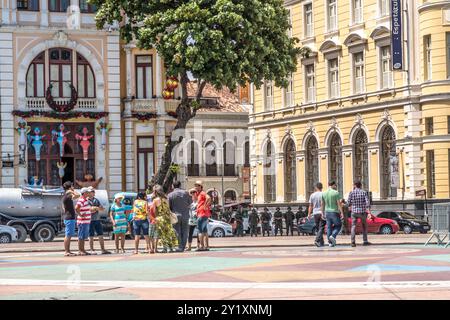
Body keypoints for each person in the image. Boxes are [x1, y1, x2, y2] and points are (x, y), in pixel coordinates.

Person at [150, 185, 178, 252]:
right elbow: (168, 209)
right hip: (167, 217)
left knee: (162, 233)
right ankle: (170, 248)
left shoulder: (155, 200)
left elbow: (153, 210)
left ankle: (165, 248)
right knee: (169, 232)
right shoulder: (166, 198)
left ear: (155, 192)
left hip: (160, 217)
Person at [168, 180, 193, 252]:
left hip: (175, 215)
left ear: (173, 186)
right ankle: (183, 246)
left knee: (177, 231)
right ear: (180, 185)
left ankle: (180, 246)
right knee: (185, 231)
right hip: (185, 215)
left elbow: (169, 206)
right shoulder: (186, 193)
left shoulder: (170, 195)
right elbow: (190, 203)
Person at [348, 180, 372, 247]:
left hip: (354, 212)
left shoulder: (351, 192)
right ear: (360, 185)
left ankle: (353, 242)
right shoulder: (364, 192)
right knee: (364, 226)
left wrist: (349, 206)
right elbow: (367, 203)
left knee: (353, 226)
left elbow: (348, 203)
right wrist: (369, 212)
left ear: (354, 185)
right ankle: (365, 241)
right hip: (362, 212)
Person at [88, 187, 110, 255]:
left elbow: (102, 208)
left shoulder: (96, 200)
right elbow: (90, 209)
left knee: (100, 234)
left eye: (92, 191)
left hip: (97, 219)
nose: (92, 192)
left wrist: (95, 208)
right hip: (90, 220)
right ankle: (91, 249)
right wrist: (96, 208)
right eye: (91, 191)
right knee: (90, 235)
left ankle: (103, 249)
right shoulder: (86, 200)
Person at [321, 181, 343, 247]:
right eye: (335, 185)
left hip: (327, 212)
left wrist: (322, 213)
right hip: (334, 212)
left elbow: (322, 204)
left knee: (329, 227)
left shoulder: (324, 193)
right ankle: (333, 236)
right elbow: (339, 204)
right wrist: (342, 212)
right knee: (338, 225)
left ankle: (330, 243)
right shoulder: (336, 193)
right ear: (333, 185)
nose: (336, 187)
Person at [62, 181, 80, 257]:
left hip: (69, 217)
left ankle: (68, 251)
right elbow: (78, 194)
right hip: (69, 218)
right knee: (68, 235)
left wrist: (70, 191)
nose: (73, 187)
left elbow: (76, 197)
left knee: (69, 235)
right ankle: (66, 251)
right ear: (69, 187)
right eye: (72, 186)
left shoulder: (66, 196)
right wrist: (71, 190)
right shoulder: (68, 194)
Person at [75, 187, 93, 255]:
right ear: (84, 193)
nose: (89, 193)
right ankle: (80, 250)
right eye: (88, 192)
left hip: (86, 221)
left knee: (83, 236)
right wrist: (80, 215)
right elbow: (76, 208)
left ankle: (83, 250)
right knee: (81, 236)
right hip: (82, 222)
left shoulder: (85, 200)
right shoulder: (81, 200)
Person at [194, 180, 212, 251]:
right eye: (195, 186)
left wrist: (205, 205)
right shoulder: (199, 194)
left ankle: (201, 246)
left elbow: (209, 198)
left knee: (200, 231)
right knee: (205, 231)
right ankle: (206, 246)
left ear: (200, 186)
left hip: (202, 214)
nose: (196, 187)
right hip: (204, 214)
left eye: (197, 186)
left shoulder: (202, 193)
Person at [308, 182, 325, 247]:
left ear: (316, 187)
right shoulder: (323, 194)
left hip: (315, 213)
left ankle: (321, 242)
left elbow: (310, 205)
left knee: (318, 228)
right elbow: (323, 204)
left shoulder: (312, 195)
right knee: (321, 227)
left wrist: (309, 214)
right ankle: (317, 240)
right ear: (322, 187)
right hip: (322, 212)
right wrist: (323, 212)